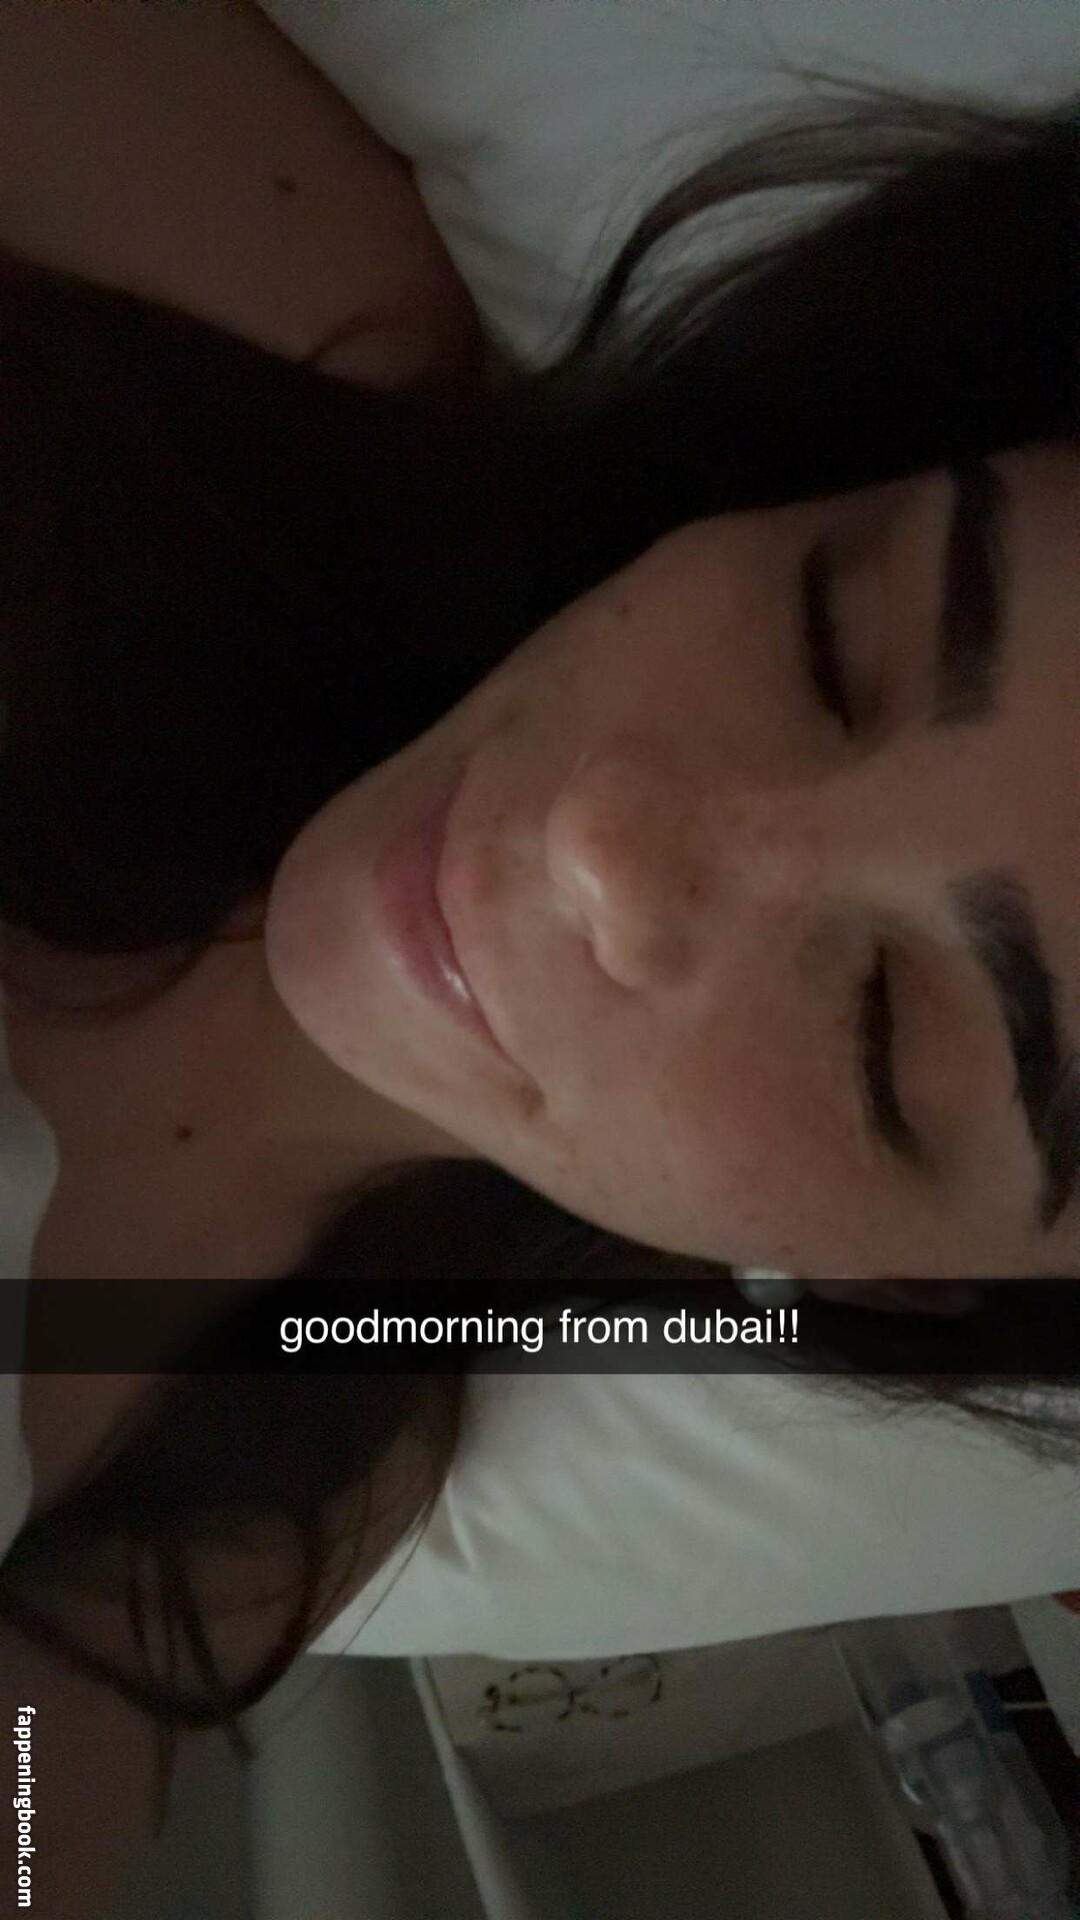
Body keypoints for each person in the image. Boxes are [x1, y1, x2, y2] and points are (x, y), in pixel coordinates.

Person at [0, 15, 1076, 1907]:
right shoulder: (245, 344)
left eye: (883, 1032)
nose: (613, 841)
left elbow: (29, 1803)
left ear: (891, 1278)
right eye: (832, 633)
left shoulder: (296, 1406)